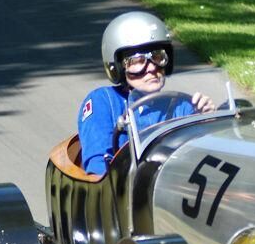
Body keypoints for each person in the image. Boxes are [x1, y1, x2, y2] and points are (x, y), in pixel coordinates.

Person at [77, 11, 214, 175]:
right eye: (137, 61)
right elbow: (98, 168)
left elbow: (202, 162)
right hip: (122, 194)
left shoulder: (183, 106)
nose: (151, 68)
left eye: (158, 57)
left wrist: (208, 122)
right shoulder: (104, 102)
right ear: (117, 67)